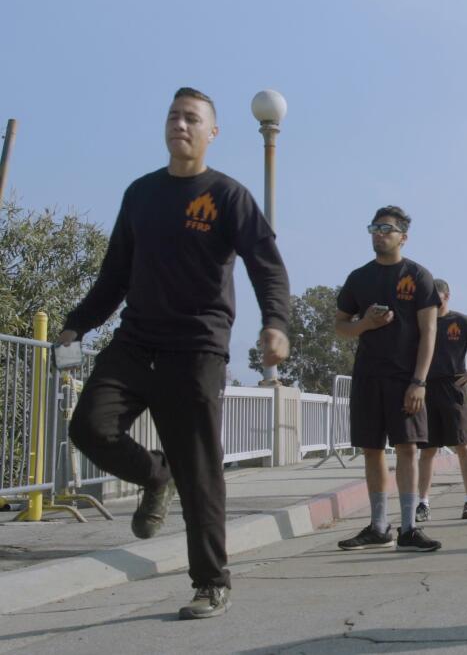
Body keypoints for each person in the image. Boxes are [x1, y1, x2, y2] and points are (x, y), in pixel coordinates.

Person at [59, 87, 291, 619]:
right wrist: (78, 324)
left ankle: (211, 581)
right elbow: (114, 273)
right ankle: (152, 474)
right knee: (89, 428)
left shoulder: (228, 196)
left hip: (196, 349)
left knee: (200, 471)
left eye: (192, 119)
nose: (180, 125)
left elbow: (267, 265)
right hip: (135, 342)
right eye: (173, 117)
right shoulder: (141, 193)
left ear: (212, 133)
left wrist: (276, 324)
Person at [334, 206, 441, 554]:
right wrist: (365, 324)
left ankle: (409, 527)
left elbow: (429, 334)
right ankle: (379, 526)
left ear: (403, 236)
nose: (379, 233)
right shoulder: (359, 278)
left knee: (408, 447)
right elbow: (341, 326)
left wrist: (419, 381)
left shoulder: (419, 276)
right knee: (372, 449)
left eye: (387, 228)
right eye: (374, 227)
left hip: (405, 378)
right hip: (368, 375)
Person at [414, 279, 467, 524]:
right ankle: (423, 503)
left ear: (447, 296)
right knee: (428, 450)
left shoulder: (460, 321)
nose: (432, 301)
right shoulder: (420, 321)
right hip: (426, 388)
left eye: (437, 296)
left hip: (454, 388)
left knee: (463, 446)